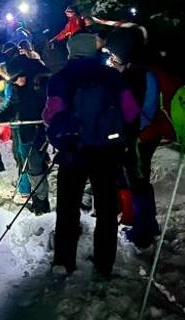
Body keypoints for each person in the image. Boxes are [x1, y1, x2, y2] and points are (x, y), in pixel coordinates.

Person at [43, 31, 139, 276]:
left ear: (71, 50)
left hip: (73, 152)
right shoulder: (110, 76)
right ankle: (104, 263)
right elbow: (130, 112)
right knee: (107, 209)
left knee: (67, 208)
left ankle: (64, 262)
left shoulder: (61, 78)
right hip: (106, 152)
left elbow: (51, 115)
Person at [103, 29, 177, 249]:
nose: (111, 60)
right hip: (137, 135)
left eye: (113, 56)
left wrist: (127, 132)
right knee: (137, 179)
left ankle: (143, 232)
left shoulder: (143, 76)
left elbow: (146, 110)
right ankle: (147, 224)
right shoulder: (132, 72)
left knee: (138, 181)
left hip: (141, 136)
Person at [0, 54, 52, 213]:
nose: (17, 82)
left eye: (19, 78)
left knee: (35, 165)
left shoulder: (38, 84)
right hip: (25, 130)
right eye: (14, 80)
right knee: (30, 165)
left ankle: (42, 202)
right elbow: (12, 104)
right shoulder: (19, 85)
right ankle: (38, 199)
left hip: (36, 130)